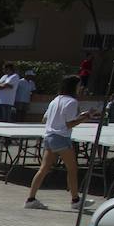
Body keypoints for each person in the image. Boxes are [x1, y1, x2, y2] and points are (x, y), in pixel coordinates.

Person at [24, 75, 96, 211]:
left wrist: (82, 115)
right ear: (73, 87)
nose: (81, 88)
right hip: (61, 138)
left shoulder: (55, 100)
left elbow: (45, 119)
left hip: (49, 137)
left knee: (43, 169)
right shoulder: (72, 102)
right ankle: (75, 200)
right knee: (72, 169)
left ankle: (31, 199)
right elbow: (69, 124)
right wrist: (85, 118)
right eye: (79, 85)